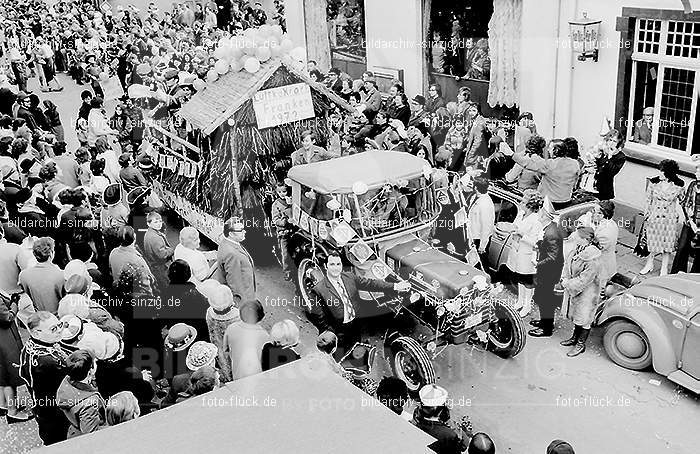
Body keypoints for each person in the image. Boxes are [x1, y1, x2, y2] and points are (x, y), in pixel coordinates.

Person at [309, 252, 410, 358]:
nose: (335, 268)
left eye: (338, 264)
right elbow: (318, 315)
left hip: (355, 322)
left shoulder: (350, 277)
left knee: (355, 344)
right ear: (326, 266)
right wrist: (328, 331)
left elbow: (371, 284)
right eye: (332, 264)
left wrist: (395, 286)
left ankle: (351, 364)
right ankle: (337, 365)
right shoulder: (318, 289)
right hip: (338, 328)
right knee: (339, 352)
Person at [19, 312, 70, 445]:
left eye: (59, 325)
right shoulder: (47, 362)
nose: (60, 330)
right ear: (36, 333)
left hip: (43, 408)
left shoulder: (30, 346)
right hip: (56, 413)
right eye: (53, 329)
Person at [559, 226, 602, 357]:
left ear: (585, 239)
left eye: (577, 235)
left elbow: (584, 280)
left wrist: (567, 283)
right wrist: (565, 277)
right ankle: (574, 338)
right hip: (577, 291)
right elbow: (568, 265)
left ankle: (580, 344)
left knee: (585, 319)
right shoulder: (578, 248)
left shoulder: (593, 259)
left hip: (589, 293)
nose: (574, 236)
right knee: (578, 316)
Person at [639, 160, 684, 276]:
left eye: (662, 171)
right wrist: (647, 213)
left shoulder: (678, 186)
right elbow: (648, 200)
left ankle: (664, 268)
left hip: (669, 219)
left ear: (669, 173)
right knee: (652, 241)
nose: (660, 173)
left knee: (667, 244)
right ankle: (649, 263)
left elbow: (684, 202)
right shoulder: (654, 183)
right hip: (655, 216)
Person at [529, 198, 564, 338]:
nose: (538, 213)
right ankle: (544, 322)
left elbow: (552, 257)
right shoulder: (550, 228)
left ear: (544, 216)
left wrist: (538, 263)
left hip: (549, 273)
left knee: (546, 300)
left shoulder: (551, 234)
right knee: (544, 299)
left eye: (540, 212)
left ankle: (547, 329)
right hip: (548, 271)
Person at [512, 138, 581, 209]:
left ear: (556, 150)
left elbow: (526, 163)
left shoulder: (550, 165)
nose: (548, 150)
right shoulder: (575, 163)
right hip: (566, 202)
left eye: (550, 148)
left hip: (549, 204)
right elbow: (575, 183)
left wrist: (511, 154)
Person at [505, 190, 544, 316]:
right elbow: (515, 226)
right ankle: (520, 301)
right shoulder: (521, 214)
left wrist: (521, 235)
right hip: (516, 251)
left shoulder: (536, 220)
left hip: (527, 254)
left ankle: (527, 305)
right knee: (519, 279)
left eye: (523, 201)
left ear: (530, 205)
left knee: (528, 282)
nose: (521, 203)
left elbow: (537, 242)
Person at [56, 349, 107, 438]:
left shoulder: (68, 378)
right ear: (90, 371)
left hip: (74, 427)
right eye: (94, 362)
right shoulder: (89, 405)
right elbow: (91, 433)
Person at [159, 260, 210, 342]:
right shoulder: (194, 295)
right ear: (188, 274)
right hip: (194, 333)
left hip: (177, 333)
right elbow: (207, 310)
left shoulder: (164, 294)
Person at [0, 292, 32, 423]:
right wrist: (14, 303)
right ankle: (12, 411)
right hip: (4, 339)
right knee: (10, 375)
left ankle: (3, 405)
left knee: (1, 374)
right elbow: (7, 316)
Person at [412, 384, 468, 454]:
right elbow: (463, 446)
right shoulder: (449, 435)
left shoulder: (416, 420)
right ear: (440, 411)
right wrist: (459, 438)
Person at [222, 299, 270, 380]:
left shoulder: (231, 328)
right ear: (261, 316)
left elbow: (225, 350)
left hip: (237, 375)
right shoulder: (265, 336)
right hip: (257, 377)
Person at [203, 282, 239, 382]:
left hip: (219, 348)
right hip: (235, 351)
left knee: (225, 367)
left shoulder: (209, 312)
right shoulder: (237, 317)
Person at [19, 237, 65, 314]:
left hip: (38, 318)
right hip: (58, 318)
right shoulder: (61, 275)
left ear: (34, 254)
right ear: (51, 253)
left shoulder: (23, 275)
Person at [672, 156, 700, 274]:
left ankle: (694, 277)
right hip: (690, 223)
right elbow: (686, 205)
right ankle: (677, 273)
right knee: (682, 247)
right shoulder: (693, 185)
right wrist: (691, 223)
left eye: (698, 170)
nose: (696, 172)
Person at [217, 217, 256, 303]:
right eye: (241, 230)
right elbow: (235, 285)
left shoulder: (227, 243)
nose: (244, 232)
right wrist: (245, 305)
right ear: (231, 234)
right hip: (244, 300)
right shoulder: (232, 254)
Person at [467, 177, 495, 268]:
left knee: (480, 262)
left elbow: (486, 226)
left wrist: (482, 245)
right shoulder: (475, 197)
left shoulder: (485, 204)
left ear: (475, 187)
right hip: (471, 236)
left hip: (479, 239)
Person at [143, 212, 174, 290]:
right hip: (160, 267)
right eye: (155, 222)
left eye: (160, 221)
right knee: (168, 286)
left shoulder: (149, 233)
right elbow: (162, 255)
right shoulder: (155, 238)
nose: (159, 224)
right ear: (148, 224)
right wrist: (171, 250)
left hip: (153, 264)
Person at [593, 129, 626, 201]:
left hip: (606, 189)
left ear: (618, 143)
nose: (611, 143)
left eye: (614, 141)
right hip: (594, 186)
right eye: (610, 140)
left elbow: (612, 172)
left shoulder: (620, 157)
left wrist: (609, 157)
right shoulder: (602, 150)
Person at [271, 182, 294, 281]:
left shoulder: (292, 201)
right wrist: (285, 221)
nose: (282, 194)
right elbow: (275, 220)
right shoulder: (276, 204)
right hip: (283, 232)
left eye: (284, 191)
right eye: (279, 192)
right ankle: (287, 271)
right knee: (285, 253)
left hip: (294, 230)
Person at [591, 201, 618, 283]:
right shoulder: (610, 223)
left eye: (594, 212)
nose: (592, 214)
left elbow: (594, 250)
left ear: (602, 215)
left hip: (602, 267)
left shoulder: (605, 233)